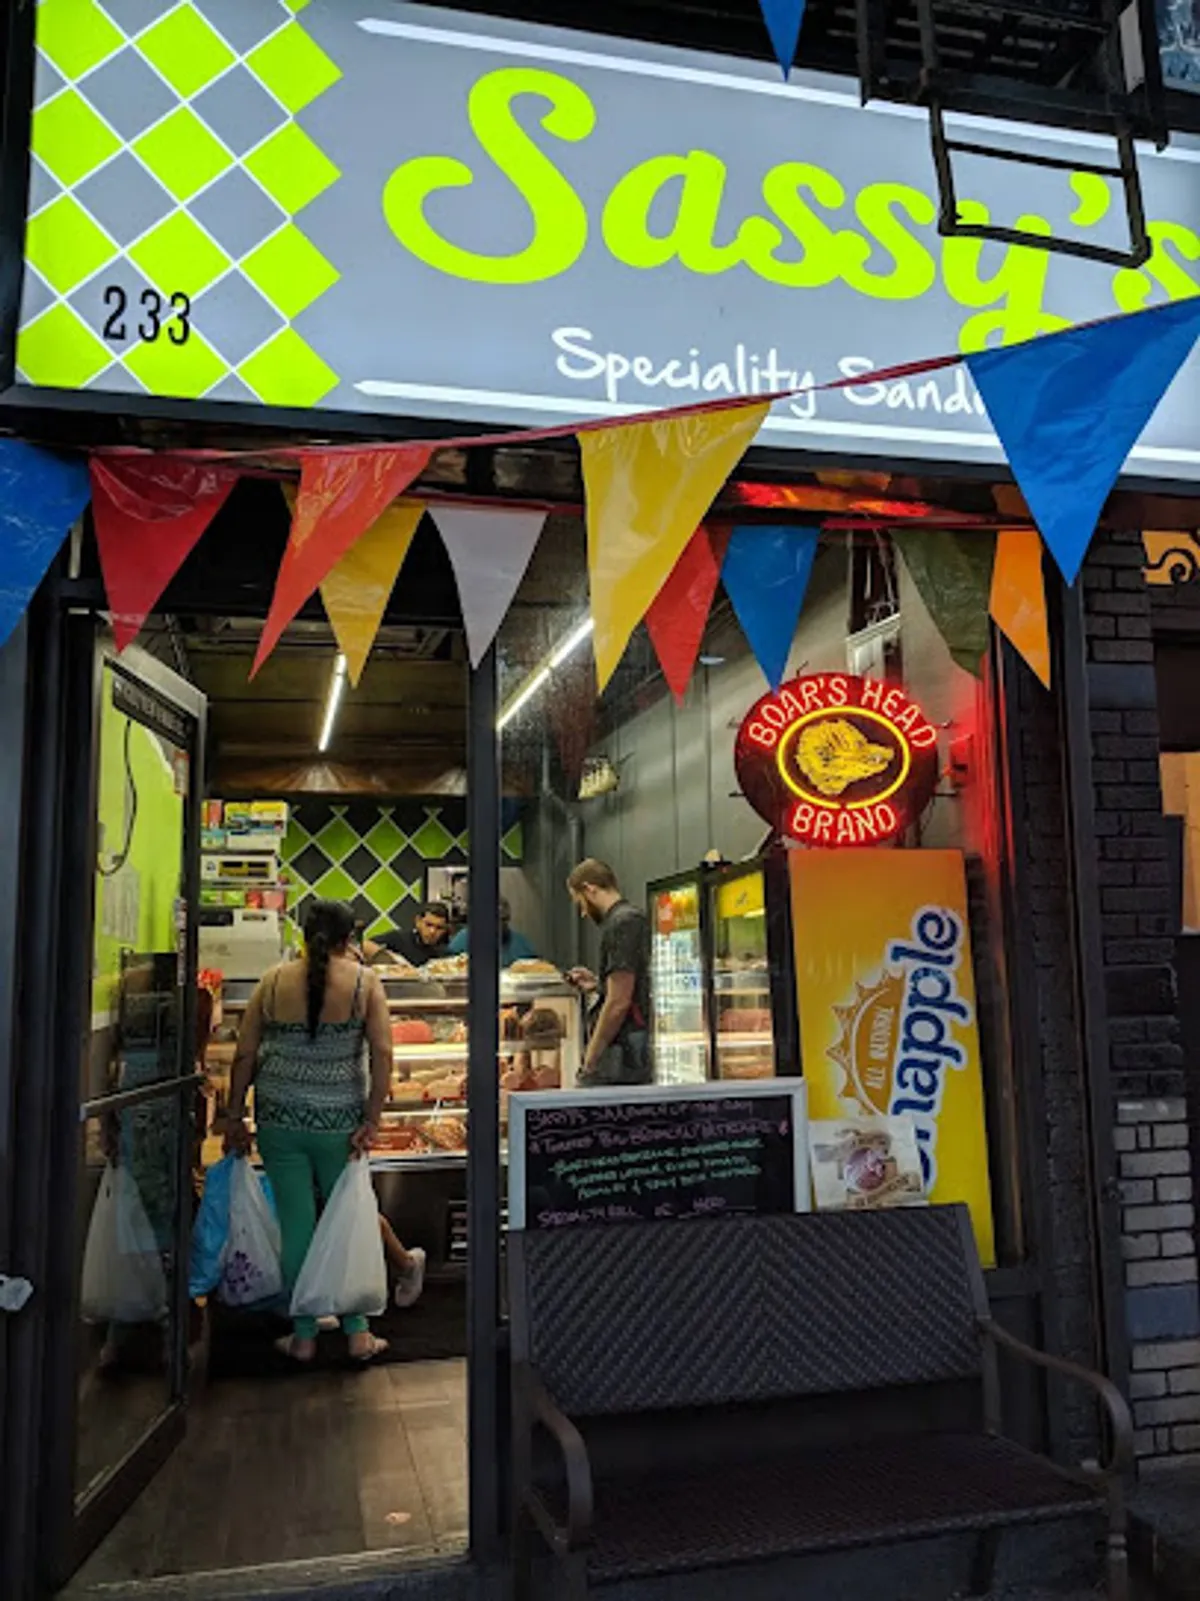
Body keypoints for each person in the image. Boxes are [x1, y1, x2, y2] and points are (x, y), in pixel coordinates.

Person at [224, 899, 390, 1363]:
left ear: (302, 935)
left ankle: (303, 1337)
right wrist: (372, 1119)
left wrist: (235, 1115)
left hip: (280, 1116)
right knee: (346, 1221)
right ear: (348, 939)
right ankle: (358, 1332)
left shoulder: (272, 981)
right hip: (341, 1120)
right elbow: (383, 1055)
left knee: (296, 1224)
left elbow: (244, 1054)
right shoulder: (365, 982)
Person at [564, 859, 651, 1085]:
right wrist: (597, 984)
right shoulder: (632, 918)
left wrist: (590, 1061)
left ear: (589, 889)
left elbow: (618, 1002)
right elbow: (635, 981)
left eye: (580, 902)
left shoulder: (621, 923)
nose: (583, 912)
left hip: (627, 1056)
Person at [447, 896, 537, 967]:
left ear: (508, 919)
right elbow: (448, 966)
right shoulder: (464, 939)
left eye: (502, 919)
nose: (498, 925)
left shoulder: (521, 944)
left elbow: (534, 969)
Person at [364, 901, 451, 968]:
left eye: (439, 928)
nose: (432, 931)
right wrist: (393, 958)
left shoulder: (445, 953)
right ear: (418, 921)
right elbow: (365, 945)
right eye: (428, 925)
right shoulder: (399, 938)